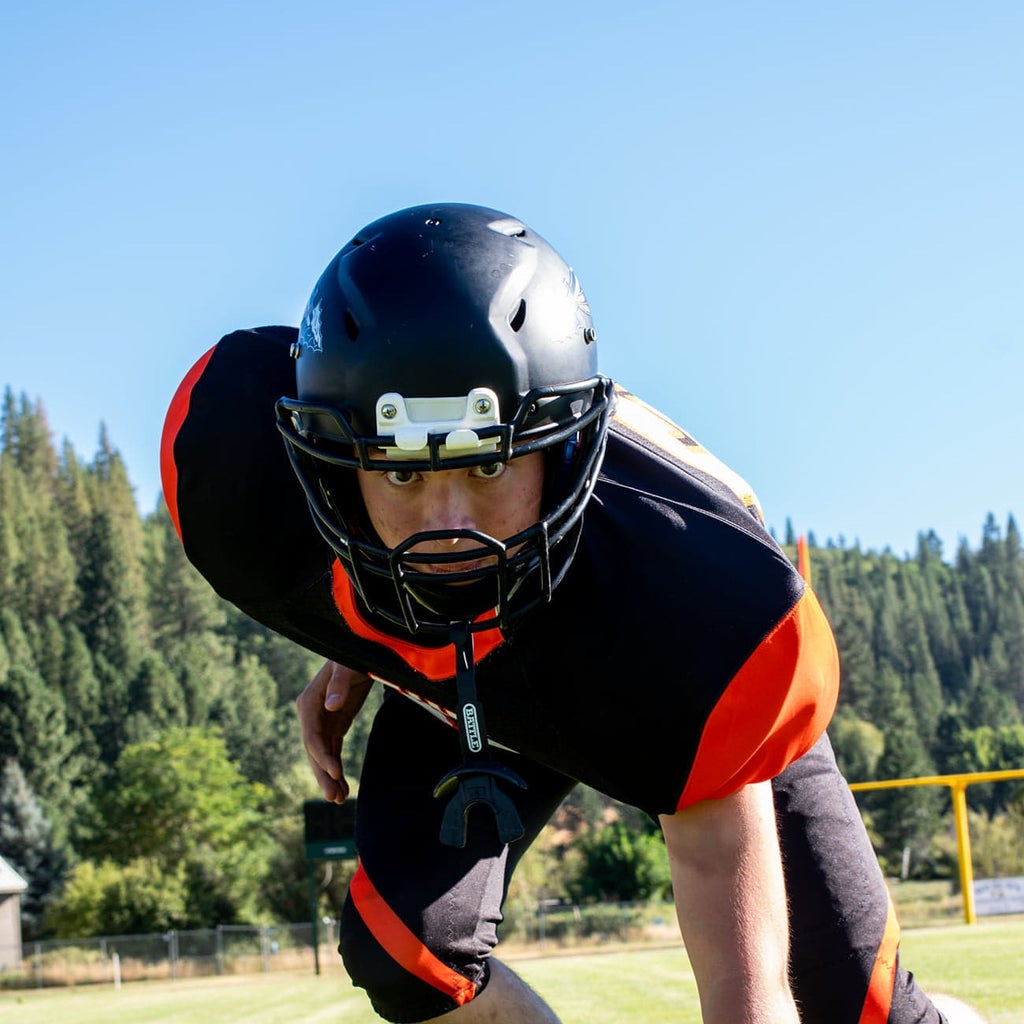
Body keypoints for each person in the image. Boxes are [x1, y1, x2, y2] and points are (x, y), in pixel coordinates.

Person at [161, 203, 971, 1023]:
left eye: (486, 471)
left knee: (866, 1017)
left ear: (564, 446)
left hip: (644, 653)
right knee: (405, 952)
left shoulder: (694, 604)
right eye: (403, 475)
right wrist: (368, 635)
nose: (450, 531)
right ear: (333, 471)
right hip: (483, 664)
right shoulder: (238, 478)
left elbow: (745, 988)